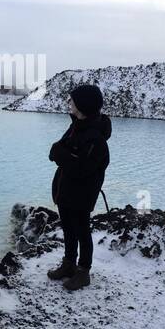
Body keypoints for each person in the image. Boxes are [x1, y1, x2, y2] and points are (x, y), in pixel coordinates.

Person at [46, 84, 111, 290]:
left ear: (83, 105)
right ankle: (69, 264)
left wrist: (61, 154)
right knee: (68, 229)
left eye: (72, 100)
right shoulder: (76, 126)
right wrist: (60, 152)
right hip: (66, 190)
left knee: (82, 230)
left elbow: (82, 168)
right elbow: (60, 151)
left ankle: (83, 271)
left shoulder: (97, 138)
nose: (69, 103)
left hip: (82, 194)